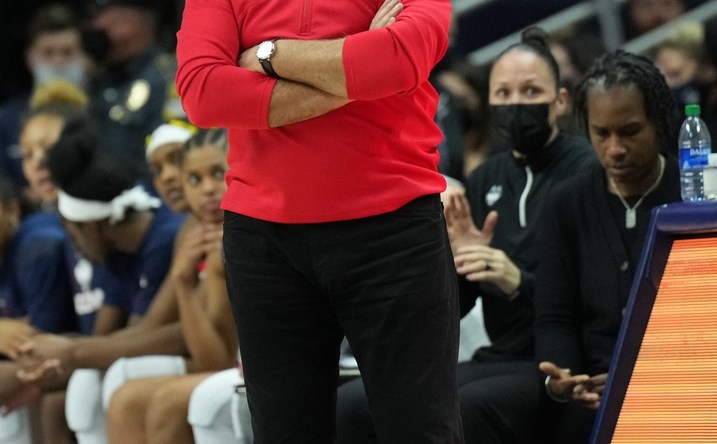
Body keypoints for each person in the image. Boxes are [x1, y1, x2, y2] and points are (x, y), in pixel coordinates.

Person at [175, 0, 464, 442]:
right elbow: (202, 92)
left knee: (421, 431)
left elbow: (402, 56)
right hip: (266, 244)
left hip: (394, 230)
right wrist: (357, 72)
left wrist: (271, 55)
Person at [336, 26, 596, 444]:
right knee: (351, 403)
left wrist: (517, 282)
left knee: (460, 409)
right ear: (490, 102)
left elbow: (598, 296)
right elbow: (457, 306)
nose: (516, 104)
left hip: (556, 360)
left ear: (561, 101)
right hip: (500, 356)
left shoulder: (585, 172)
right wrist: (454, 266)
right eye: (504, 94)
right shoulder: (486, 177)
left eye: (531, 92)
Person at [535, 49, 682, 443]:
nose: (614, 149)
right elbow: (555, 318)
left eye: (630, 132)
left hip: (683, 378)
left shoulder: (696, 193)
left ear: (661, 124)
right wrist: (565, 378)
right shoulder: (566, 203)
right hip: (595, 389)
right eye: (601, 134)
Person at [106, 128, 236, 444]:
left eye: (218, 174)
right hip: (228, 361)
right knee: (126, 399)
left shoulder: (232, 239)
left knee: (164, 402)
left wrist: (183, 283)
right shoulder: (195, 232)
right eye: (194, 179)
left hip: (262, 365)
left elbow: (215, 362)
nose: (207, 189)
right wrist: (182, 282)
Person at [84, 0, 184, 181]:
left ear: (136, 23)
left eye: (114, 22)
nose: (98, 27)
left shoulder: (167, 79)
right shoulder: (97, 80)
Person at [0, 3, 89, 194]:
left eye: (67, 52)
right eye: (48, 53)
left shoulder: (102, 114)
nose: (57, 62)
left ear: (84, 57)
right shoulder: (6, 121)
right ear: (30, 58)